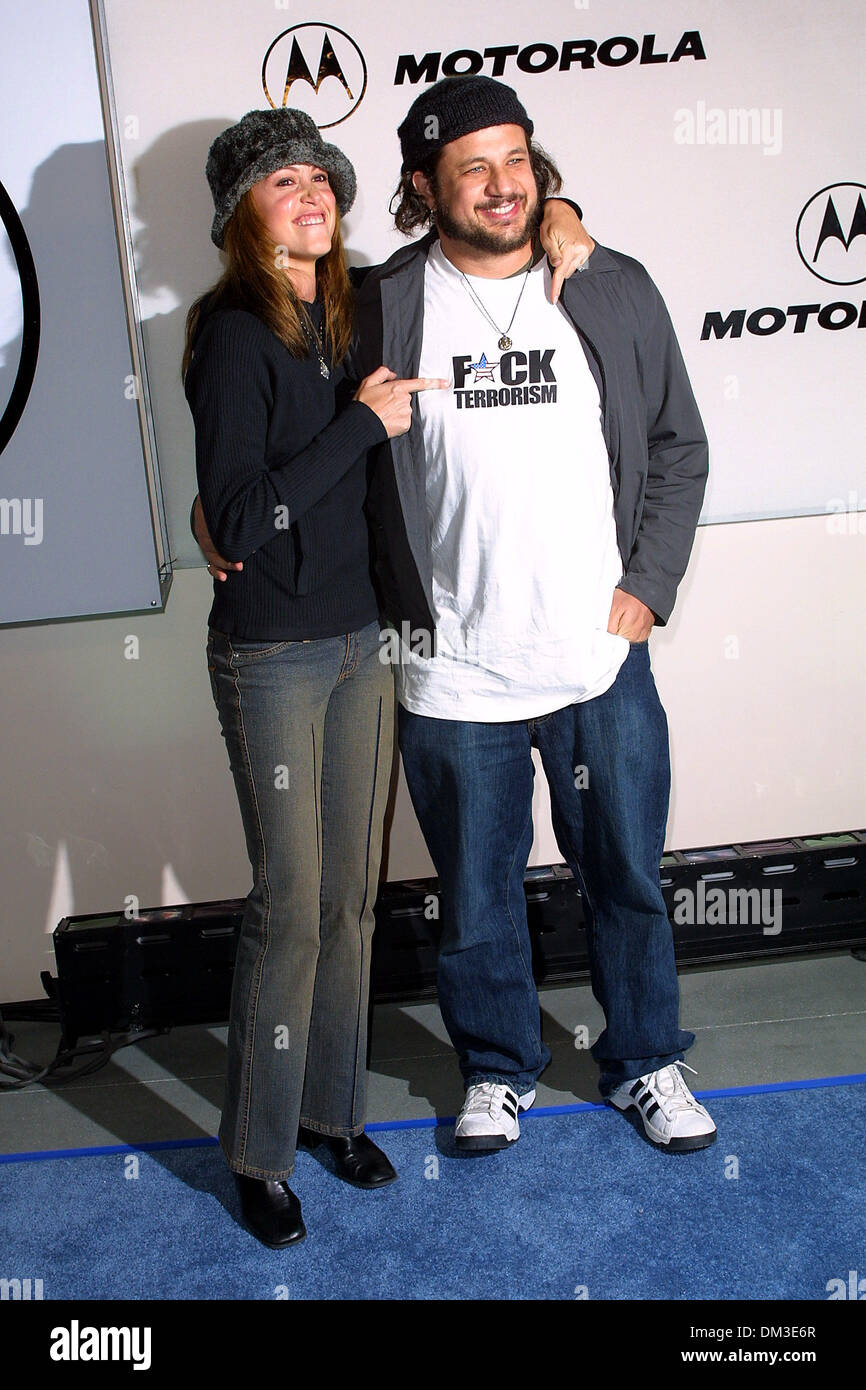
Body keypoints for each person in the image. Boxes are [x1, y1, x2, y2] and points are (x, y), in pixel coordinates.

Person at [184, 106, 592, 1246]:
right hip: (273, 651)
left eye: (321, 177)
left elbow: (482, 235)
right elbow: (244, 516)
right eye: (281, 183)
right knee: (290, 909)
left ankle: (328, 1114)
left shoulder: (359, 301)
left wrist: (559, 210)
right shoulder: (228, 334)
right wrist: (359, 426)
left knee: (351, 905)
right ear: (240, 215)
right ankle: (257, 1153)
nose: (310, 194)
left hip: (369, 642)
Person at [345, 74, 716, 1155]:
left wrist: (646, 584)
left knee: (626, 877)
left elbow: (676, 447)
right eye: (472, 167)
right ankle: (498, 1068)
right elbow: (318, 443)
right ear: (423, 186)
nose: (501, 186)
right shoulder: (379, 305)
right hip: (449, 664)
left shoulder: (607, 284)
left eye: (516, 161)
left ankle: (645, 1059)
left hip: (598, 654)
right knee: (473, 894)